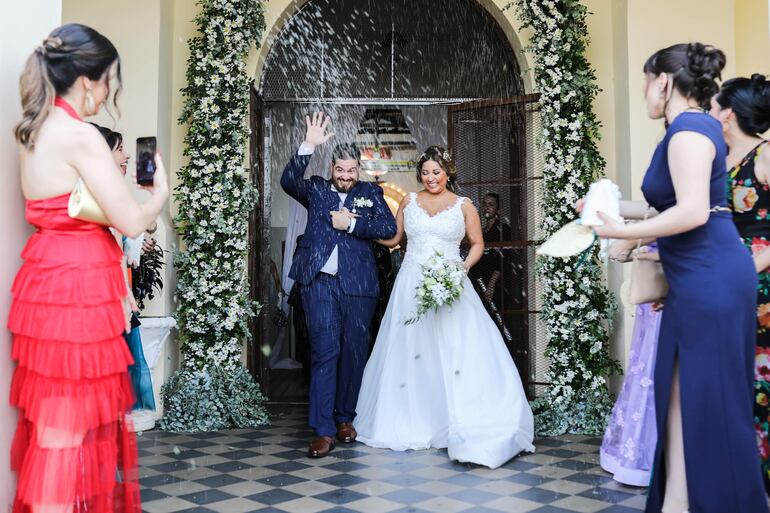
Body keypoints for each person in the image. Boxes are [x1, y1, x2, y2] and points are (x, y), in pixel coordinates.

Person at [586, 43, 768, 513]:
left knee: (709, 409)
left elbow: (690, 213)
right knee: (680, 407)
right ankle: (678, 503)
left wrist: (622, 230)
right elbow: (674, 208)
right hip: (697, 280)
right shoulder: (691, 129)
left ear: (663, 82)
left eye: (646, 80)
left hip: (711, 278)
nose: (645, 90)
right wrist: (617, 225)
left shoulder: (689, 128)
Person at [9, 24, 168, 513]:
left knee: (57, 428)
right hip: (77, 288)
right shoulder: (78, 135)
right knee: (68, 432)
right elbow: (130, 219)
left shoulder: (34, 130)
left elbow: (73, 207)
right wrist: (158, 192)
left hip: (47, 280)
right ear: (86, 79)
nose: (110, 92)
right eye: (109, 80)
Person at [353, 145, 535, 469]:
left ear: (447, 172)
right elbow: (395, 238)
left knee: (456, 347)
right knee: (410, 349)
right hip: (411, 284)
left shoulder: (464, 206)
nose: (430, 178)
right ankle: (416, 417)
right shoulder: (409, 201)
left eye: (436, 172)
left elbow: (477, 244)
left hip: (452, 281)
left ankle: (465, 413)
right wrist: (359, 229)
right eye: (425, 172)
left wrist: (461, 269)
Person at [279, 112, 397, 458]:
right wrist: (308, 145)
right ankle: (323, 429)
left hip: (359, 286)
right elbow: (288, 180)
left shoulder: (371, 194)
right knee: (324, 352)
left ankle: (346, 418)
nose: (345, 177)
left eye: (351, 171)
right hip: (320, 284)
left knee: (354, 353)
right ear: (331, 168)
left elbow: (388, 229)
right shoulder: (315, 190)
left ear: (358, 171)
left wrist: (352, 224)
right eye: (340, 170)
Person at [711, 73, 770, 493]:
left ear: (728, 113)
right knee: (732, 384)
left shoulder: (766, 157)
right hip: (725, 286)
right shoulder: (720, 160)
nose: (710, 113)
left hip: (761, 286)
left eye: (714, 106)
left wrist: (750, 269)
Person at [93, 124, 157, 413]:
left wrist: (136, 240)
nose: (128, 154)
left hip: (118, 287)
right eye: (119, 149)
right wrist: (156, 193)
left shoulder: (110, 190)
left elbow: (135, 226)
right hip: (101, 290)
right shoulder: (95, 190)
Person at [599, 242, 662, 487]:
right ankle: (639, 445)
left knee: (658, 359)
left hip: (671, 265)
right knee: (646, 360)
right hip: (652, 272)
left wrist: (630, 239)